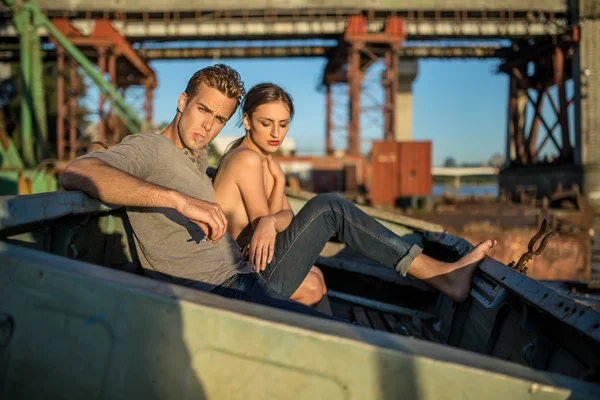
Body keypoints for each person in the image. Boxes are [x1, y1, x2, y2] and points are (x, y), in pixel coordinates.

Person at [60, 64, 495, 322]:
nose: (207, 125)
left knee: (329, 223)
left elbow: (102, 156)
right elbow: (79, 171)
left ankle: (444, 275)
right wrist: (179, 200)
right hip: (218, 293)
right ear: (181, 101)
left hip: (243, 279)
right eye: (202, 110)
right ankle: (442, 275)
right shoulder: (153, 148)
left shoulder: (196, 156)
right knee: (330, 224)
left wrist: (102, 147)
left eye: (218, 118)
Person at [213, 84, 330, 312]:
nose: (276, 133)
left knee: (317, 274)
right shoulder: (246, 159)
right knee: (313, 286)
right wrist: (278, 189)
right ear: (247, 122)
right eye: (266, 124)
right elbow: (270, 231)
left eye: (283, 124)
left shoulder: (266, 162)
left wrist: (277, 190)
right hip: (225, 273)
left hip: (248, 263)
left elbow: (286, 220)